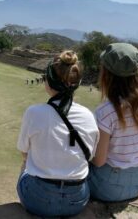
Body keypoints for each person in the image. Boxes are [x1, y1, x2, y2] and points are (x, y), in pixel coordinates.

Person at [16, 50, 99, 217]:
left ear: (48, 81)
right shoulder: (88, 116)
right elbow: (89, 157)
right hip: (77, 199)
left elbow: (24, 152)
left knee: (25, 166)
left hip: (38, 198)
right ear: (77, 82)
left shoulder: (34, 113)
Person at [88, 43, 138, 202]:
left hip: (107, 186)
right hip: (137, 182)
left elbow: (99, 162)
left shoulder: (106, 111)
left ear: (106, 74)